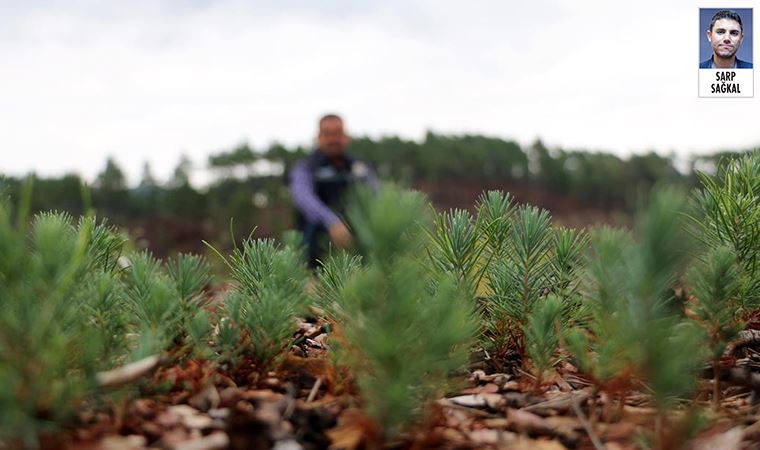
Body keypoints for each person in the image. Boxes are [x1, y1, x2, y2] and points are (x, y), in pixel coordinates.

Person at [289, 114, 378, 267]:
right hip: (316, 252)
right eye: (327, 134)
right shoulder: (306, 168)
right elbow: (303, 198)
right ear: (319, 137)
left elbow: (377, 195)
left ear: (346, 136)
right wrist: (332, 222)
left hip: (358, 249)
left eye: (338, 133)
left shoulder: (359, 167)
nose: (333, 139)